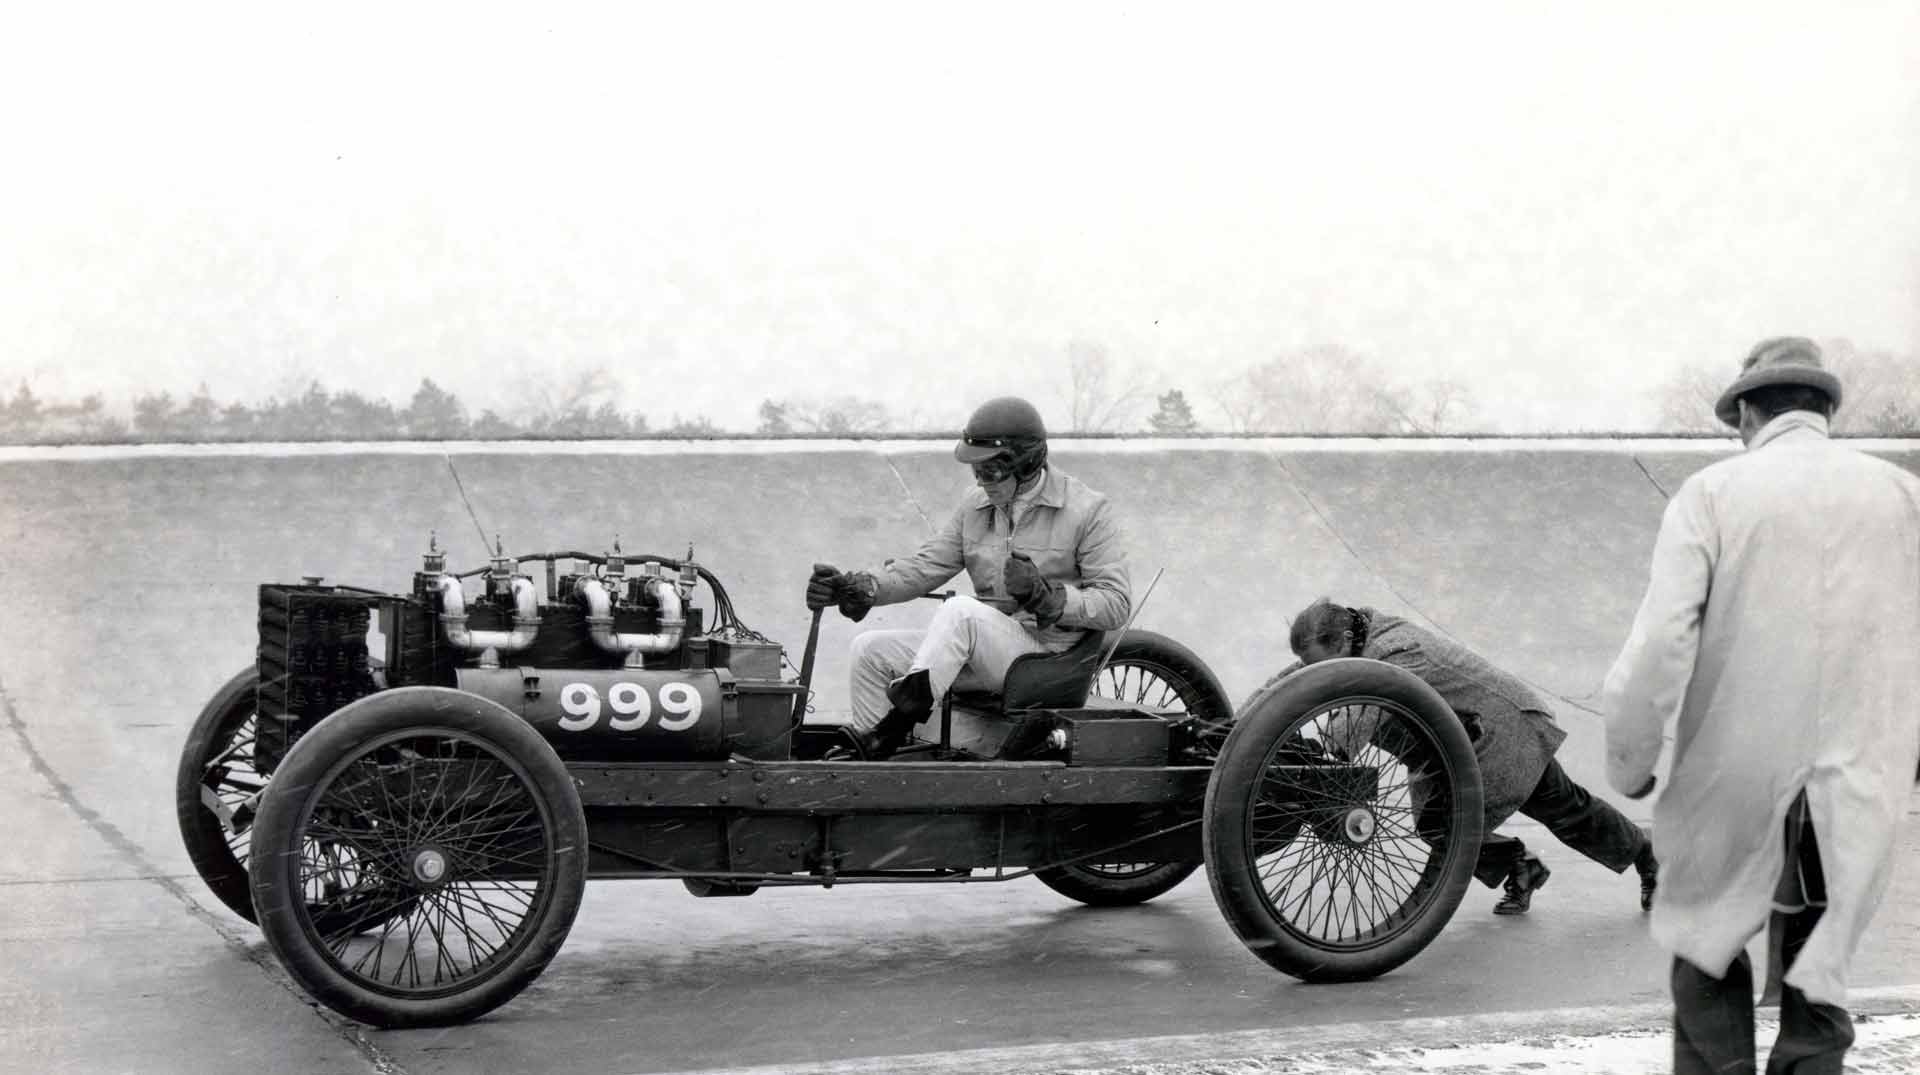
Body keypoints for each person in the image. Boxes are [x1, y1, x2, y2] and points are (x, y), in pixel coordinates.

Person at [1602, 337, 1920, 1075]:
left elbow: (1660, 644)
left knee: (1704, 948)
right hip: (1861, 770)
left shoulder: (1712, 494)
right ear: (1825, 410)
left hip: (1735, 767)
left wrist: (1632, 760)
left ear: (1747, 412)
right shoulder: (1904, 497)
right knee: (1820, 965)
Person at [1282, 598, 1657, 915]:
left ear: (1345, 640)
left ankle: (1647, 854)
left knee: (1563, 809)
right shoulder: (1355, 642)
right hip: (1462, 743)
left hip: (1503, 728)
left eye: (1320, 664)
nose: (1320, 673)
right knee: (1441, 824)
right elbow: (1294, 679)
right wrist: (1251, 719)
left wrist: (1325, 749)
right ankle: (1520, 865)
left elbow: (1366, 708)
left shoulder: (1395, 652)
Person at [805, 396, 1132, 759]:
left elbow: (1116, 604)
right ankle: (874, 761)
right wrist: (863, 587)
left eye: (990, 471)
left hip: (1048, 663)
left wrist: (1049, 598)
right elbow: (925, 565)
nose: (981, 481)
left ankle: (891, 730)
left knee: (960, 612)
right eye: (976, 471)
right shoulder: (975, 506)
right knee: (869, 650)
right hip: (985, 651)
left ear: (1025, 463)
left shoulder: (1088, 511)